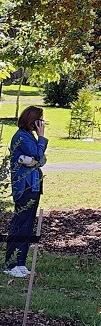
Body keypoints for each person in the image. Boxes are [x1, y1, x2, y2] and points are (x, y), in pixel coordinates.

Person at [4, 105, 47, 278]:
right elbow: (38, 153)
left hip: (33, 185)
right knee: (20, 223)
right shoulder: (22, 137)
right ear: (32, 121)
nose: (42, 124)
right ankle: (11, 264)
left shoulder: (29, 136)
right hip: (25, 186)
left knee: (28, 225)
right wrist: (41, 137)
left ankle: (20, 262)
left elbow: (41, 159)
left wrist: (36, 159)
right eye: (40, 120)